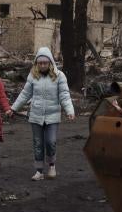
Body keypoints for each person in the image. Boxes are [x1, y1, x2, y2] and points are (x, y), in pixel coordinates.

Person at [9, 47, 75, 181]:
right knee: (38, 143)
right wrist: (13, 108)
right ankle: (39, 171)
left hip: (52, 116)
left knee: (50, 142)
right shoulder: (33, 76)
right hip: (36, 115)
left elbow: (64, 95)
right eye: (40, 63)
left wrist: (69, 110)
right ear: (36, 63)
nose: (43, 65)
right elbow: (25, 94)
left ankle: (51, 165)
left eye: (45, 62)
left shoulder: (59, 76)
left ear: (50, 62)